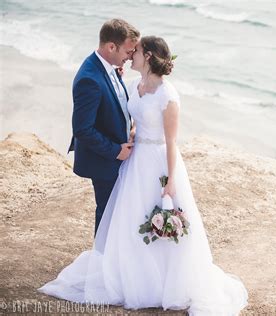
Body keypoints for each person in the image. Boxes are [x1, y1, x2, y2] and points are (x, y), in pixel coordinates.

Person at [38, 35, 249, 315]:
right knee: (130, 218)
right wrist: (133, 134)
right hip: (135, 162)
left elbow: (171, 142)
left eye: (135, 52)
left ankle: (163, 281)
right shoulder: (137, 85)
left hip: (158, 163)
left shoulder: (168, 95)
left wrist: (171, 180)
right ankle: (132, 275)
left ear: (147, 56)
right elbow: (134, 120)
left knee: (157, 219)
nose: (130, 55)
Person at [67, 18, 139, 236]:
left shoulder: (109, 68)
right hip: (104, 159)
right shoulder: (89, 79)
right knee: (108, 212)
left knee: (118, 212)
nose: (130, 56)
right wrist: (116, 151)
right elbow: (82, 129)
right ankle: (102, 260)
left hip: (116, 154)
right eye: (128, 51)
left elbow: (111, 106)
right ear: (111, 47)